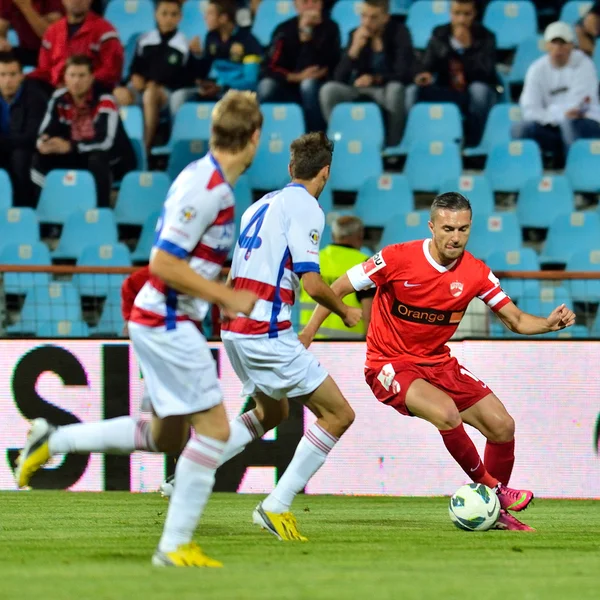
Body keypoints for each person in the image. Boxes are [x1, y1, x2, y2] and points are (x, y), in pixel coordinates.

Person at [16, 90, 263, 568]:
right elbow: (164, 263)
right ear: (254, 138)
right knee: (213, 430)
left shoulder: (206, 181)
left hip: (163, 318)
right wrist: (225, 297)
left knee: (167, 437)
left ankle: (55, 440)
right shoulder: (207, 188)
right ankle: (174, 546)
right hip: (168, 320)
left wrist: (219, 283)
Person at [300, 192, 577, 532]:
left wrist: (548, 324)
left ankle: (494, 514)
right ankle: (496, 491)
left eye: (463, 229)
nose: (455, 237)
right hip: (389, 362)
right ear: (431, 226)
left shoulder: (476, 273)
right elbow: (338, 287)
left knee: (502, 425)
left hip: (437, 362)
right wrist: (309, 332)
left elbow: (516, 320)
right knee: (445, 412)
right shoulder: (396, 259)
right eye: (447, 228)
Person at [220, 132, 359, 541]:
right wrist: (346, 310)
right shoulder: (307, 209)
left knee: (273, 413)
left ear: (290, 168)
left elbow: (232, 275)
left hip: (234, 328)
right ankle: (275, 506)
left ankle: (189, 472)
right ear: (326, 172)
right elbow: (313, 284)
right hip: (266, 330)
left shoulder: (259, 205)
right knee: (338, 415)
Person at [30, 54, 136, 208]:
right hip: (76, 154)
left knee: (97, 159)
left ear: (91, 77)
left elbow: (105, 142)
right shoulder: (58, 98)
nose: (76, 81)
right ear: (65, 77)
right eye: (72, 75)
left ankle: (101, 211)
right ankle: (47, 210)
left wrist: (70, 146)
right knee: (39, 158)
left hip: (113, 159)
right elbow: (44, 131)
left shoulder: (105, 100)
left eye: (81, 75)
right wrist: (44, 143)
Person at [319, 0, 413, 146]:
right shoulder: (355, 34)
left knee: (396, 89)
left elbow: (403, 73)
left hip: (385, 89)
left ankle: (392, 146)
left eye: (373, 17)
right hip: (358, 89)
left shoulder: (400, 33)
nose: (367, 22)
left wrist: (375, 79)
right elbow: (338, 77)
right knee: (328, 90)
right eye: (363, 16)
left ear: (386, 17)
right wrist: (353, 51)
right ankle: (343, 139)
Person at [408, 0, 497, 147]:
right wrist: (424, 75)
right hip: (446, 88)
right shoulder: (440, 34)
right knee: (412, 91)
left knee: (479, 91)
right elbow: (426, 65)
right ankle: (414, 142)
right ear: (450, 14)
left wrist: (467, 48)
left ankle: (475, 145)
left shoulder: (486, 37)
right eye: (457, 13)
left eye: (466, 14)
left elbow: (486, 73)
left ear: (474, 14)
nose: (461, 20)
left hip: (472, 91)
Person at [511, 22, 600, 164]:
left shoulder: (584, 64)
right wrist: (556, 116)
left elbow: (578, 106)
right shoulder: (536, 69)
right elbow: (529, 108)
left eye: (563, 43)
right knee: (520, 129)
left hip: (585, 124)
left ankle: (576, 168)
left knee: (569, 124)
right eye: (554, 43)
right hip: (551, 126)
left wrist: (550, 114)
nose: (558, 48)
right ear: (547, 45)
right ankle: (530, 175)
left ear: (571, 45)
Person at [113, 0, 189, 151]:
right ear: (156, 15)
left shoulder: (182, 44)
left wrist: (153, 83)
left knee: (150, 95)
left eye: (173, 14)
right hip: (141, 87)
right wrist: (134, 78)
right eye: (164, 14)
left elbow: (179, 76)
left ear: (180, 17)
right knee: (118, 94)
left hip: (165, 92)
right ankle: (120, 145)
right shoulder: (145, 39)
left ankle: (145, 147)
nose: (168, 18)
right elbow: (134, 67)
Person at [258, 0, 340, 132]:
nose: (310, 6)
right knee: (266, 86)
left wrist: (307, 39)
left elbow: (332, 64)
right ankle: (265, 133)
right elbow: (268, 67)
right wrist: (295, 77)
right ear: (296, 6)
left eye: (314, 2)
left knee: (308, 85)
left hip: (317, 86)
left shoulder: (330, 28)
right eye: (305, 2)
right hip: (288, 85)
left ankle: (315, 135)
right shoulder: (284, 29)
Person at [169, 0, 262, 114]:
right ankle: (177, 130)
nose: (205, 18)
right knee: (178, 97)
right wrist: (196, 55)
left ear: (223, 18)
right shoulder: (211, 37)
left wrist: (223, 87)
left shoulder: (248, 41)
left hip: (236, 93)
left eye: (210, 13)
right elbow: (202, 73)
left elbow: (251, 82)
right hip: (216, 89)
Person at [300, 215, 373, 338]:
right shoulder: (364, 264)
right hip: (347, 347)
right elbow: (369, 313)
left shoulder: (313, 259)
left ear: (333, 235)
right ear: (360, 236)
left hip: (310, 341)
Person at [28, 0, 123, 94]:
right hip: (55, 91)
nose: (77, 1)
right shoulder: (52, 32)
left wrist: (79, 82)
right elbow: (44, 70)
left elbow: (111, 71)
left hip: (91, 94)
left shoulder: (105, 31)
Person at [0, 51, 46, 206]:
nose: (7, 80)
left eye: (12, 74)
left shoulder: (35, 98)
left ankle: (24, 210)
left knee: (20, 158)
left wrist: (4, 143)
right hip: (6, 146)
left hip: (26, 150)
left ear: (21, 76)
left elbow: (31, 136)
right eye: (2, 74)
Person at [0, 0, 63, 67]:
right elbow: (1, 27)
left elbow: (51, 36)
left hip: (52, 50)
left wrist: (25, 6)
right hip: (26, 50)